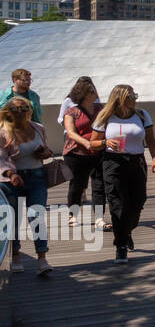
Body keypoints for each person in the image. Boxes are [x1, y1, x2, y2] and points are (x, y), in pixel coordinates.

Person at [92, 85, 155, 265]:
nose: (135, 98)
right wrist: (106, 142)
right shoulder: (105, 117)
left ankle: (126, 230)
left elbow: (151, 140)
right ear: (120, 98)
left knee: (138, 200)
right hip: (113, 162)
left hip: (136, 162)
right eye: (131, 96)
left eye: (135, 95)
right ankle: (120, 245)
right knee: (117, 203)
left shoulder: (142, 115)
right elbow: (92, 143)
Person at [0, 98, 54, 276]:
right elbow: (1, 159)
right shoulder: (3, 132)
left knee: (37, 216)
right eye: (16, 109)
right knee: (14, 220)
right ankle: (15, 256)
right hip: (12, 181)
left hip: (37, 177)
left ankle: (42, 258)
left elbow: (47, 150)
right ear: (8, 112)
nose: (21, 111)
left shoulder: (38, 127)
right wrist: (11, 174)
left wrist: (44, 153)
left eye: (24, 108)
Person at [60, 77, 106, 231]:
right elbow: (71, 133)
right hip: (77, 153)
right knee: (77, 185)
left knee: (99, 185)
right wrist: (86, 143)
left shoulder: (100, 109)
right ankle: (73, 215)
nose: (95, 93)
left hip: (98, 151)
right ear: (83, 94)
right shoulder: (71, 111)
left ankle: (99, 217)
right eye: (91, 91)